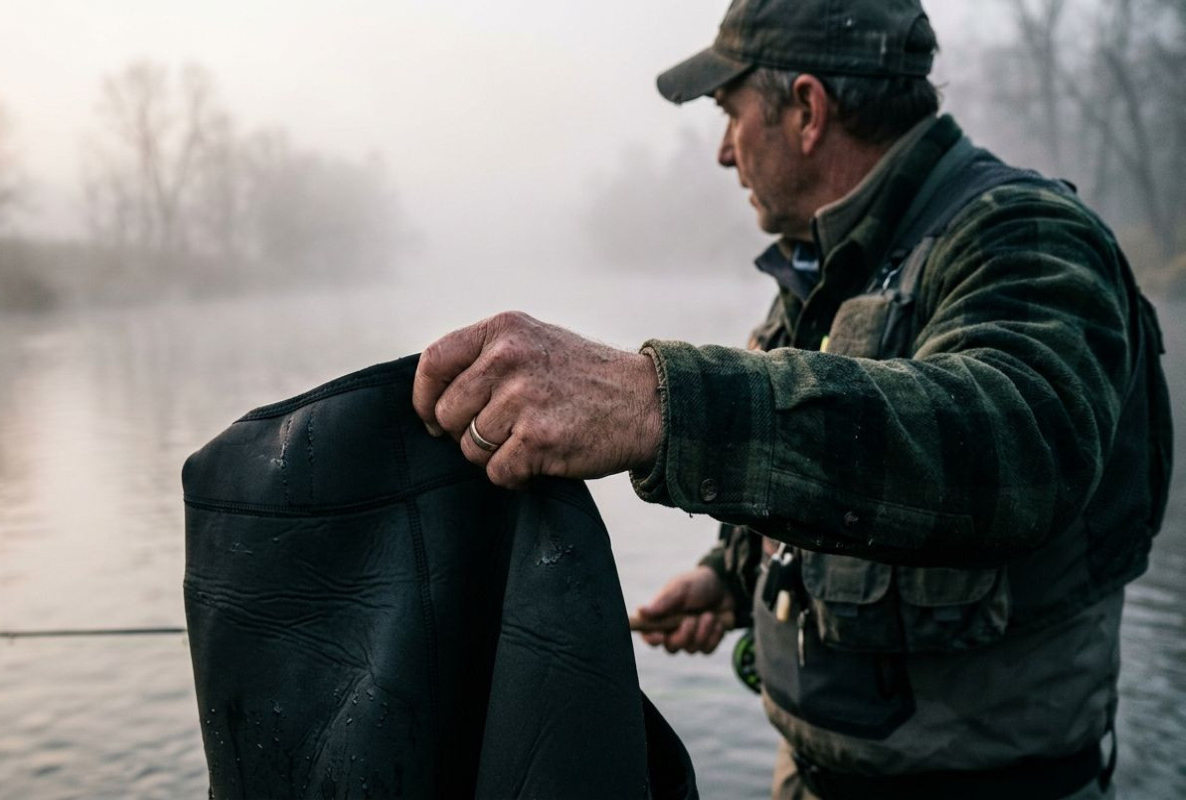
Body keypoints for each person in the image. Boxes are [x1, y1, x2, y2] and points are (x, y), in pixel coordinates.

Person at [411, 1, 1171, 798]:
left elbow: (1022, 444)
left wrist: (653, 401)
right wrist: (730, 575)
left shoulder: (1027, 233)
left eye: (729, 112)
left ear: (807, 109)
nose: (722, 152)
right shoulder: (828, 262)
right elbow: (842, 462)